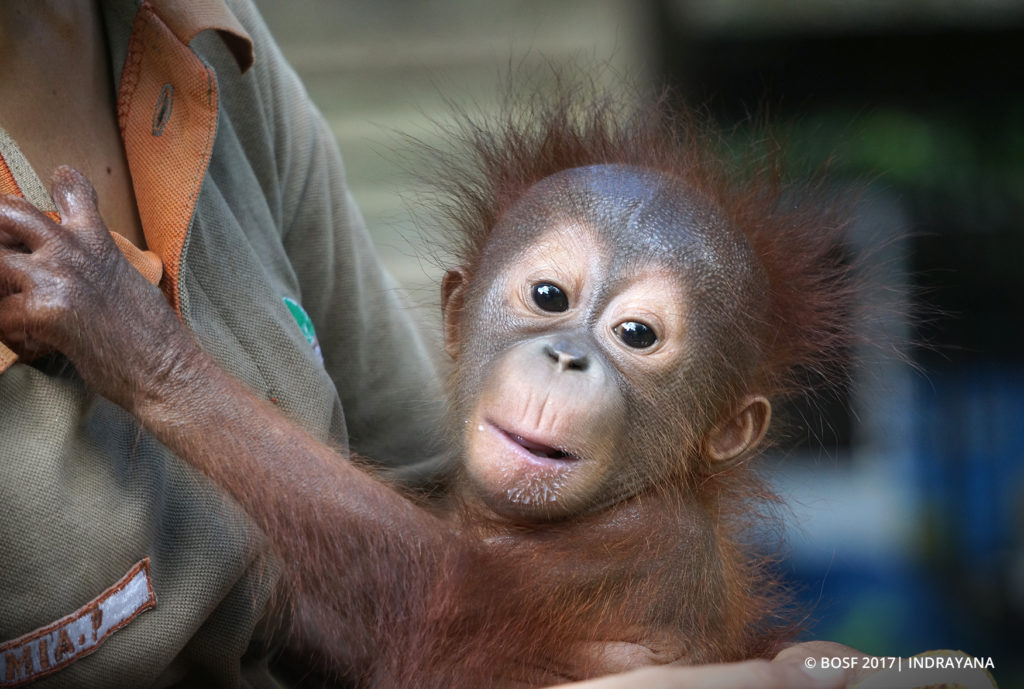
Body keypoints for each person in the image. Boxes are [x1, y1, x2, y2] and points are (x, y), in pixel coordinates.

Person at [0, 1, 857, 687]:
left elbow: (423, 593)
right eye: (548, 298)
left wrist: (161, 370)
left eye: (637, 334)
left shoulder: (662, 542)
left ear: (726, 427)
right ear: (458, 318)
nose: (568, 355)